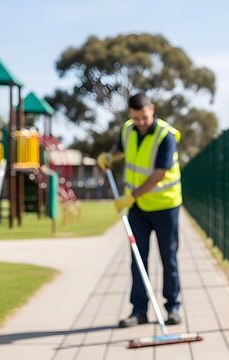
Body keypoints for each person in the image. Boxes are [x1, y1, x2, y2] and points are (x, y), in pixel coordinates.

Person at [97, 93, 183, 327]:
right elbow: (120, 147)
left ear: (152, 110)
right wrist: (110, 156)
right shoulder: (128, 129)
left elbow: (159, 174)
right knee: (138, 258)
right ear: (130, 115)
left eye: (144, 117)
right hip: (138, 209)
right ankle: (139, 311)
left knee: (169, 258)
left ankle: (173, 308)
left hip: (165, 206)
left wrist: (129, 197)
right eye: (136, 118)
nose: (141, 122)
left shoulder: (165, 136)